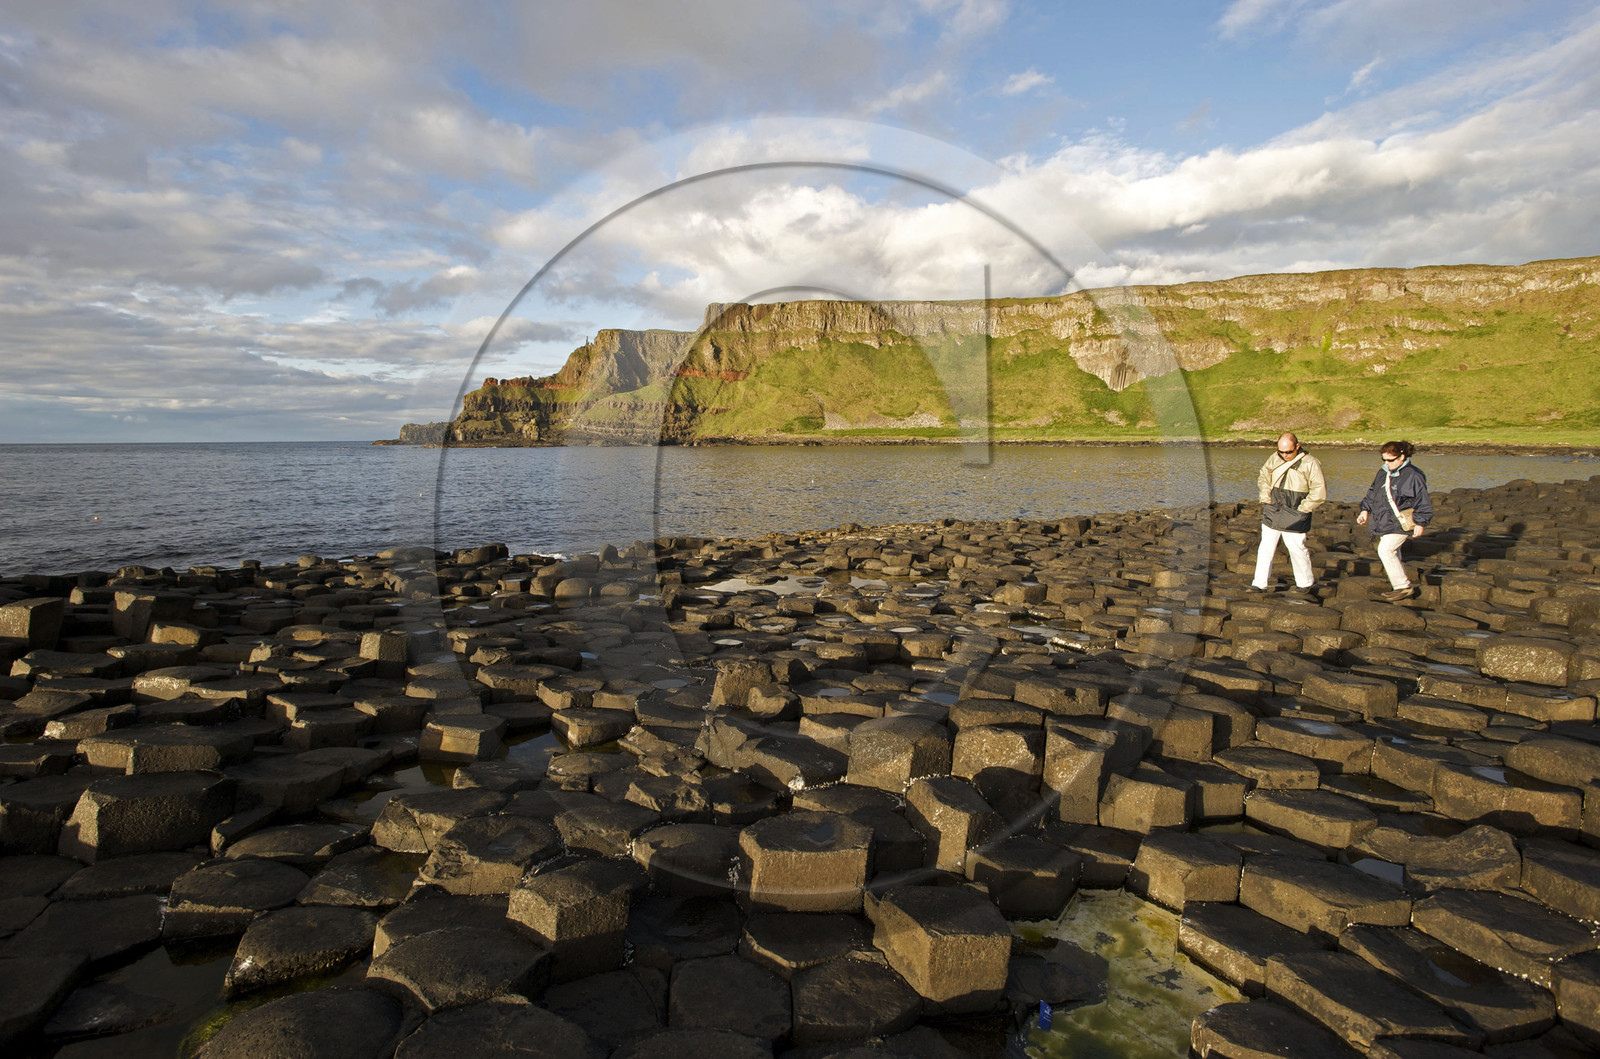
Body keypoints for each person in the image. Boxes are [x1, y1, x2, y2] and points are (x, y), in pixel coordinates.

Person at [1251, 432, 1326, 595]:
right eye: (1281, 452)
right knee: (1265, 548)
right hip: (1273, 508)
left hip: (1295, 510)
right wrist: (1265, 496)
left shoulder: (1311, 463)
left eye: (1288, 452)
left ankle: (1305, 583)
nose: (1284, 455)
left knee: (1297, 548)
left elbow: (1319, 492)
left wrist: (1303, 508)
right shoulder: (1274, 458)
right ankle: (1259, 584)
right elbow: (1264, 476)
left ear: (1297, 447)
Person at [1357, 440, 1432, 601]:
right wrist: (1365, 509)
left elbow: (1422, 500)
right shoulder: (1383, 472)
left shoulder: (1414, 475)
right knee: (1393, 552)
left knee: (1385, 550)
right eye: (1384, 459)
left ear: (1402, 456)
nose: (1387, 463)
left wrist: (1420, 522)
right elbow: (1372, 492)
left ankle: (1403, 587)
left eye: (1390, 460)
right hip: (1383, 520)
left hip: (1401, 522)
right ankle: (1400, 587)